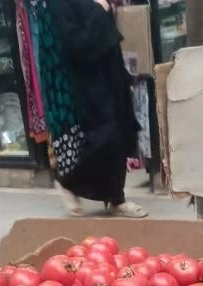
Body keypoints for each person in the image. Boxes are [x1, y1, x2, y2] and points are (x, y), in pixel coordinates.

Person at [43, 0, 147, 218]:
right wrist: (99, 11)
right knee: (103, 135)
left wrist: (124, 75)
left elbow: (108, 38)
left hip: (111, 75)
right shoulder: (59, 4)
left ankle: (117, 199)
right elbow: (75, 45)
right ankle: (68, 182)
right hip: (87, 82)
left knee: (121, 132)